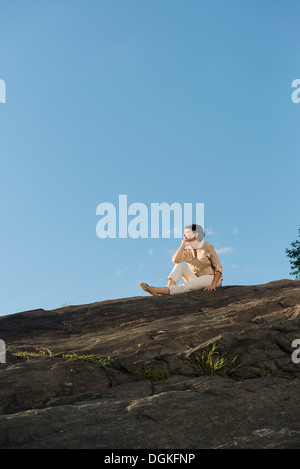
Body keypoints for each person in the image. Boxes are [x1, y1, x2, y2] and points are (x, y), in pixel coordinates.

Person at [140, 224, 223, 296]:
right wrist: (182, 245)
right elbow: (175, 260)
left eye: (187, 232)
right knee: (179, 266)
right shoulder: (187, 251)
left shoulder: (207, 247)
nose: (184, 234)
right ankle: (166, 293)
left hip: (212, 279)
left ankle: (156, 290)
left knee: (188, 285)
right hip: (197, 280)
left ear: (196, 235)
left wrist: (213, 285)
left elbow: (218, 268)